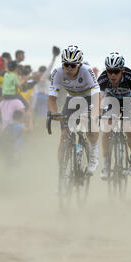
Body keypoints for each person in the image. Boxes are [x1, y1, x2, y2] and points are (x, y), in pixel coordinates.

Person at [47, 45, 100, 173]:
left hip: (89, 98)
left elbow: (97, 96)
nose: (69, 68)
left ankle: (93, 153)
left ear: (79, 65)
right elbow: (51, 99)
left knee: (90, 126)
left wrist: (93, 115)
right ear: (62, 64)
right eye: (66, 65)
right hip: (72, 99)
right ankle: (62, 172)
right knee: (64, 135)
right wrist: (54, 113)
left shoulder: (87, 71)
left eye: (73, 65)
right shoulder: (57, 72)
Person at [98, 52, 131, 179]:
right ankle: (106, 164)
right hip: (112, 100)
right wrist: (97, 115)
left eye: (116, 71)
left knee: (129, 129)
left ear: (122, 69)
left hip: (128, 101)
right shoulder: (103, 79)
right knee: (106, 129)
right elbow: (98, 99)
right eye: (109, 71)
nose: (112, 75)